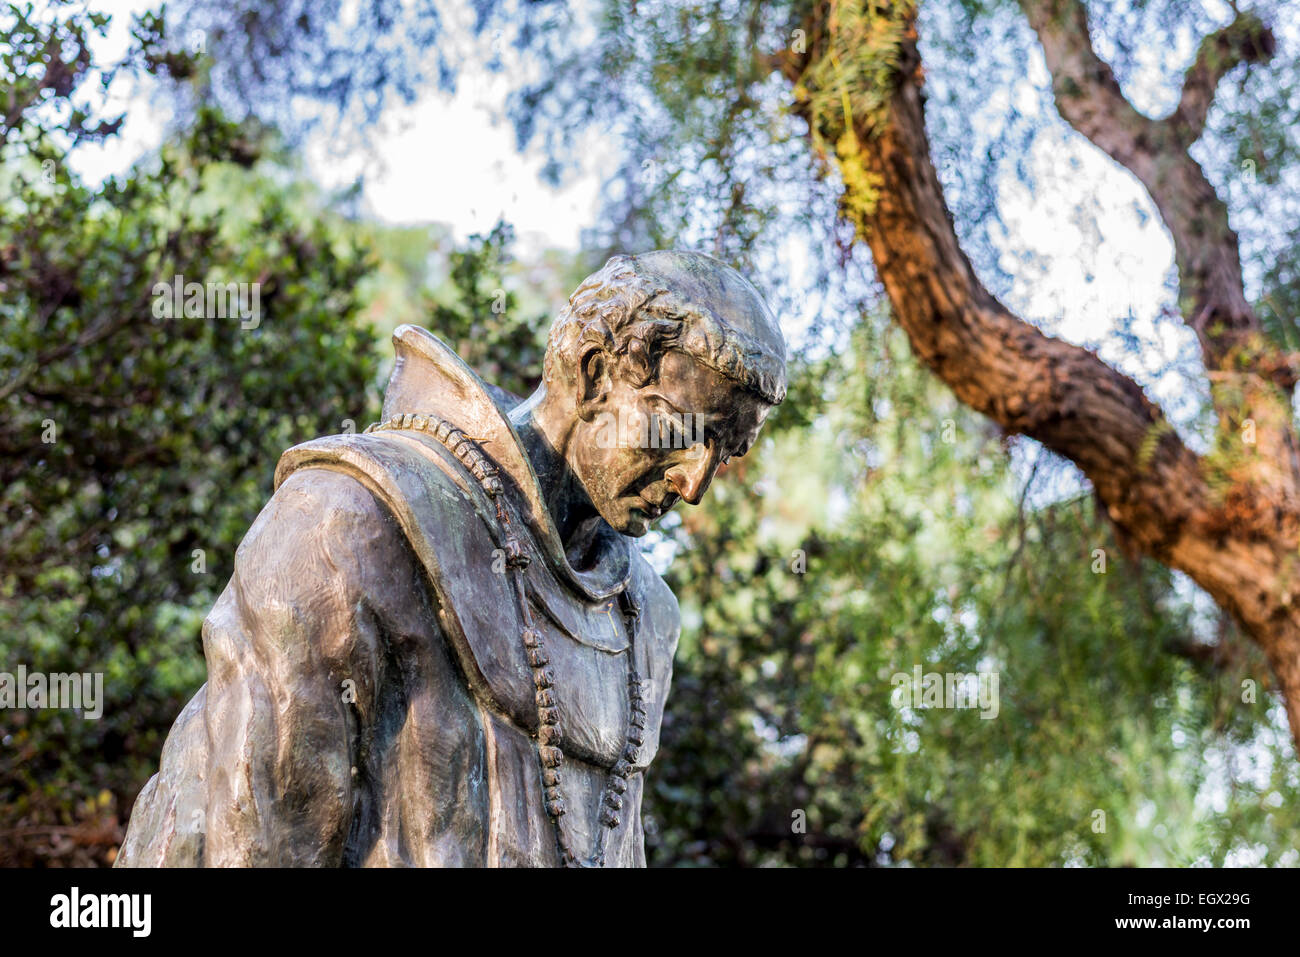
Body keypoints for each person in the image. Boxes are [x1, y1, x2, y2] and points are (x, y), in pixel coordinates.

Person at [117, 250, 787, 867]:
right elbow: (258, 844)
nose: (695, 483)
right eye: (681, 431)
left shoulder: (647, 618)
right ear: (591, 371)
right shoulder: (348, 520)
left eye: (724, 450)